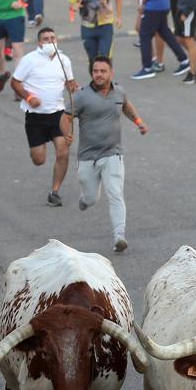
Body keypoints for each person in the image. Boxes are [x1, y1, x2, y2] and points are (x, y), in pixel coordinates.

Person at [69, 56, 147, 252]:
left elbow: (126, 105)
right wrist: (66, 134)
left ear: (111, 73)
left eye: (103, 71)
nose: (99, 74)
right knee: (91, 198)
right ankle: (85, 200)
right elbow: (66, 117)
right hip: (87, 156)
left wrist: (138, 122)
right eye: (95, 71)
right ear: (91, 74)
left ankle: (119, 236)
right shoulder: (81, 96)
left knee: (115, 194)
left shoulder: (119, 91)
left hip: (113, 153)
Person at [11, 26, 76, 207]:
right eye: (46, 39)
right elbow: (15, 82)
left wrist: (72, 87)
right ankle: (41, 147)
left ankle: (54, 192)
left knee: (63, 152)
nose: (50, 41)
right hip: (36, 117)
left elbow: (69, 83)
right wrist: (29, 97)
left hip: (58, 114)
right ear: (39, 43)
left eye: (52, 38)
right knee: (39, 160)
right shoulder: (29, 60)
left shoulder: (64, 60)